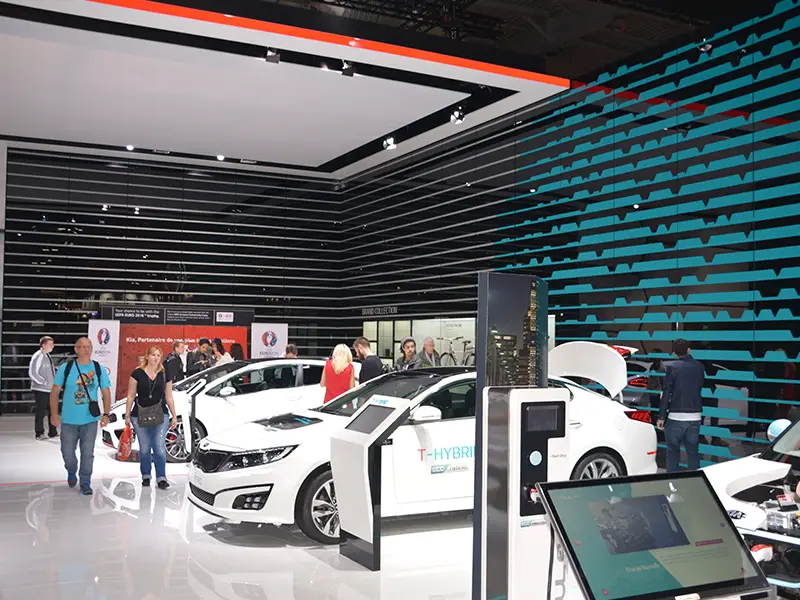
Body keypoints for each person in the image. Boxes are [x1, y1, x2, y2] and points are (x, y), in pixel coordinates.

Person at [49, 337, 111, 495]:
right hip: (69, 420)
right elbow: (55, 392)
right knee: (67, 452)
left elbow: (106, 392)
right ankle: (71, 469)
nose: (85, 350)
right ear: (76, 349)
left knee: (88, 453)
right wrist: (54, 414)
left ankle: (85, 482)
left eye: (88, 347)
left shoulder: (98, 369)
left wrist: (106, 414)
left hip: (90, 420)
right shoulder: (66, 368)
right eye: (82, 347)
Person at [125, 346, 178, 489]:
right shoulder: (137, 373)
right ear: (147, 356)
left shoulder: (165, 374)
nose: (155, 358)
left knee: (159, 446)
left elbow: (169, 397)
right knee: (144, 447)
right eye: (153, 355)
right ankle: (146, 475)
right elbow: (130, 395)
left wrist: (174, 415)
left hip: (161, 414)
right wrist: (127, 415)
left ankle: (161, 477)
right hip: (139, 415)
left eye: (158, 355)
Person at [658, 339, 705, 472]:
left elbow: (667, 392)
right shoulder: (699, 367)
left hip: (676, 415)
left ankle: (672, 481)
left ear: (674, 353)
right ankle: (694, 481)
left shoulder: (672, 367)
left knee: (673, 453)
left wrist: (661, 416)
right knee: (693, 453)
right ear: (689, 350)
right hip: (695, 416)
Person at [30, 336, 58, 440]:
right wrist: (43, 382)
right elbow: (32, 372)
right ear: (43, 345)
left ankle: (53, 432)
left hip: (49, 389)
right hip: (41, 389)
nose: (53, 346)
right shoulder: (38, 356)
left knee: (52, 411)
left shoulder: (47, 356)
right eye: (50, 344)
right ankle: (39, 433)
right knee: (40, 412)